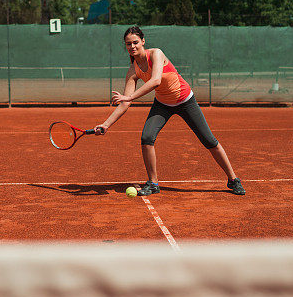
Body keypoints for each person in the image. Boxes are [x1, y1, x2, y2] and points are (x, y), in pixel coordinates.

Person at [95, 26, 245, 196]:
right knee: (146, 138)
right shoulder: (132, 71)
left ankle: (233, 180)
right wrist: (106, 124)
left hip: (185, 100)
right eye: (128, 44)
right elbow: (124, 103)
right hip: (163, 104)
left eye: (135, 42)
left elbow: (156, 80)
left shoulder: (156, 54)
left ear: (143, 41)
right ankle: (153, 183)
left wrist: (130, 97)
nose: (132, 46)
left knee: (208, 140)